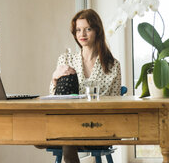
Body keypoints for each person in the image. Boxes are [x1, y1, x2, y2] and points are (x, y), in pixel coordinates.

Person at [50, 9, 122, 163]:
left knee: (64, 138)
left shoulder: (112, 65)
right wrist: (55, 78)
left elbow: (116, 102)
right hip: (68, 120)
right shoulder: (66, 59)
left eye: (87, 29)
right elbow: (54, 98)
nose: (82, 34)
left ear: (97, 31)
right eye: (78, 30)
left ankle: (63, 140)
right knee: (67, 77)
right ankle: (67, 138)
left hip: (99, 123)